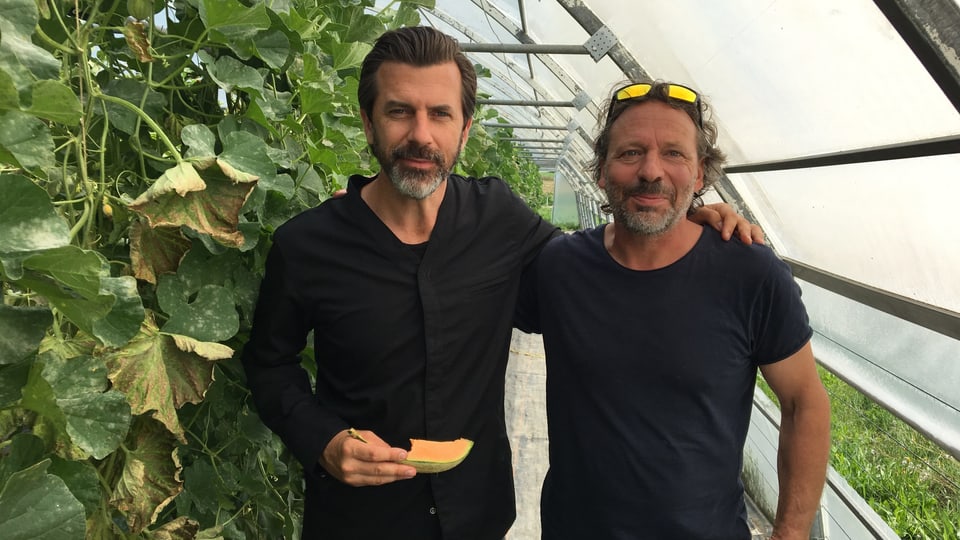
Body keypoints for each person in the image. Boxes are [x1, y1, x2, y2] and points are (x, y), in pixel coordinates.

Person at [241, 27, 760, 540]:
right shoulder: (307, 246)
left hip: (478, 516)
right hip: (357, 521)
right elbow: (269, 365)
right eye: (400, 111)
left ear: (464, 129)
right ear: (368, 123)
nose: (421, 135)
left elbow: (595, 265)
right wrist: (323, 441)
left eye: (440, 114)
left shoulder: (499, 220)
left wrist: (685, 218)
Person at [515, 81, 832, 539]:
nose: (651, 171)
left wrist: (791, 533)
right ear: (601, 171)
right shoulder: (560, 267)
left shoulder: (749, 273)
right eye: (629, 153)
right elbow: (464, 317)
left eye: (674, 154)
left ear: (701, 174)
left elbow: (805, 402)